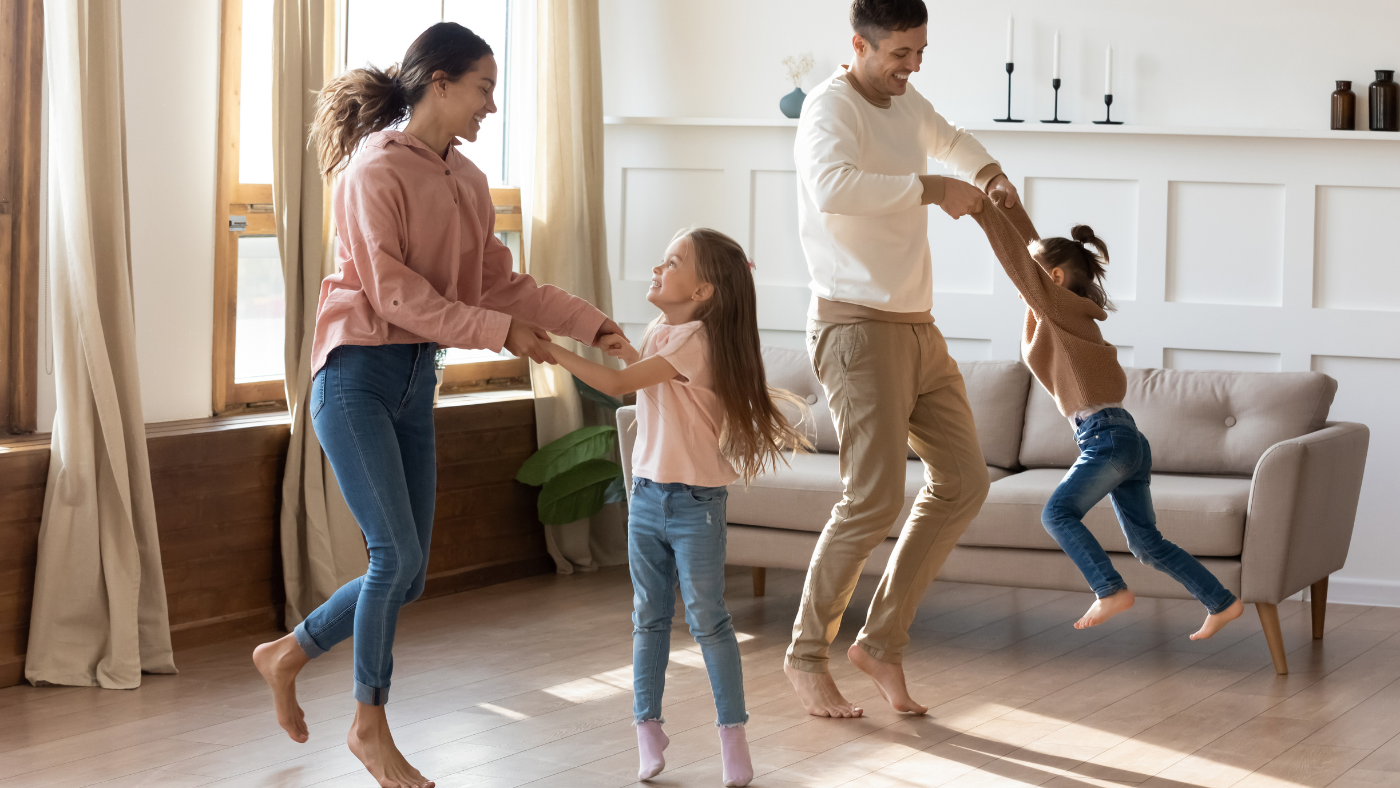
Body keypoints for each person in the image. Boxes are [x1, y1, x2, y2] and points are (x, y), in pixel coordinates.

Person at [250, 23, 622, 788]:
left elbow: (497, 282)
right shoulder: (373, 170)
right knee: (393, 557)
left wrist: (588, 322)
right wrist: (501, 332)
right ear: (439, 82)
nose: (491, 105)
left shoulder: (470, 180)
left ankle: (286, 654)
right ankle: (368, 726)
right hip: (356, 376)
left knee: (409, 572)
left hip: (419, 381)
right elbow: (393, 293)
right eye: (483, 88)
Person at [786, 0, 1020, 718]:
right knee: (875, 497)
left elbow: (952, 139)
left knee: (963, 481)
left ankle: (881, 642)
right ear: (858, 45)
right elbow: (833, 189)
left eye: (920, 52)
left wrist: (988, 176)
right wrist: (932, 189)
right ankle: (805, 655)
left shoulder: (905, 99)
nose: (913, 67)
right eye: (900, 55)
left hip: (916, 327)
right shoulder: (828, 110)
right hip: (856, 329)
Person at [548, 228, 807, 787]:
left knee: (708, 620)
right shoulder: (666, 333)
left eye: (671, 262)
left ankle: (732, 738)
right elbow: (657, 384)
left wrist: (549, 349)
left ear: (704, 290)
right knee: (649, 619)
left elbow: (620, 385)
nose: (657, 268)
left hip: (695, 506)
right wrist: (634, 350)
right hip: (645, 497)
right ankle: (648, 730)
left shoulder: (695, 341)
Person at [972, 193, 1246, 637]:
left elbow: (1020, 262)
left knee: (1057, 515)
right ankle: (1221, 601)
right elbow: (1031, 252)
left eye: (1037, 279)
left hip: (1106, 439)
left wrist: (982, 211)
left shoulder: (1057, 309)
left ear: (1055, 279)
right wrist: (1007, 204)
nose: (1026, 285)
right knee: (1145, 543)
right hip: (1126, 438)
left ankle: (1110, 590)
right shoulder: (1064, 311)